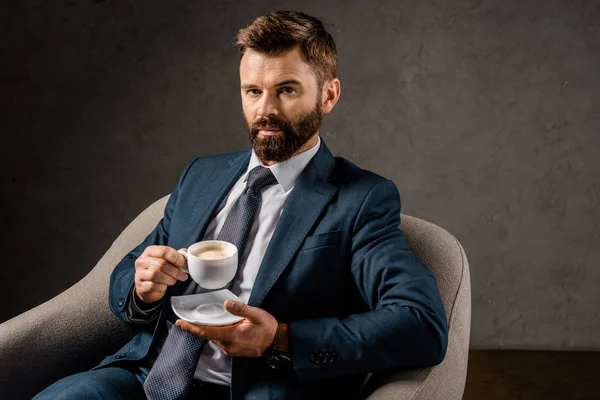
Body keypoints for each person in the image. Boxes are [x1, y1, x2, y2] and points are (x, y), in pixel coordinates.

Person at [34, 10, 448, 400]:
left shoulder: (360, 199)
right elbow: (128, 273)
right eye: (253, 91)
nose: (265, 110)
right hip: (143, 377)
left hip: (261, 388)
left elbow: (421, 323)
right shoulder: (202, 175)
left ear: (328, 95)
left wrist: (279, 338)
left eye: (286, 90)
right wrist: (143, 287)